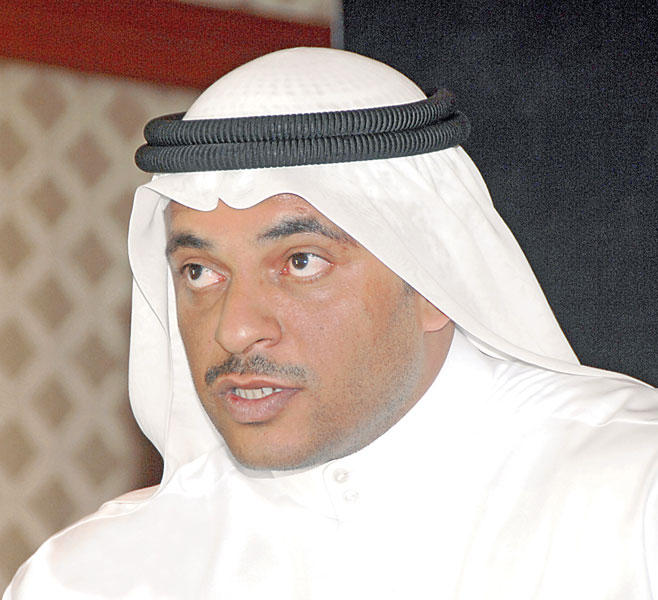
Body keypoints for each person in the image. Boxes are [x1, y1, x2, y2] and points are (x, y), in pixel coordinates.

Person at [4, 47, 657, 599]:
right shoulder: (92, 577)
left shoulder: (632, 500)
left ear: (434, 277)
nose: (235, 331)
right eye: (200, 271)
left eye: (301, 262)